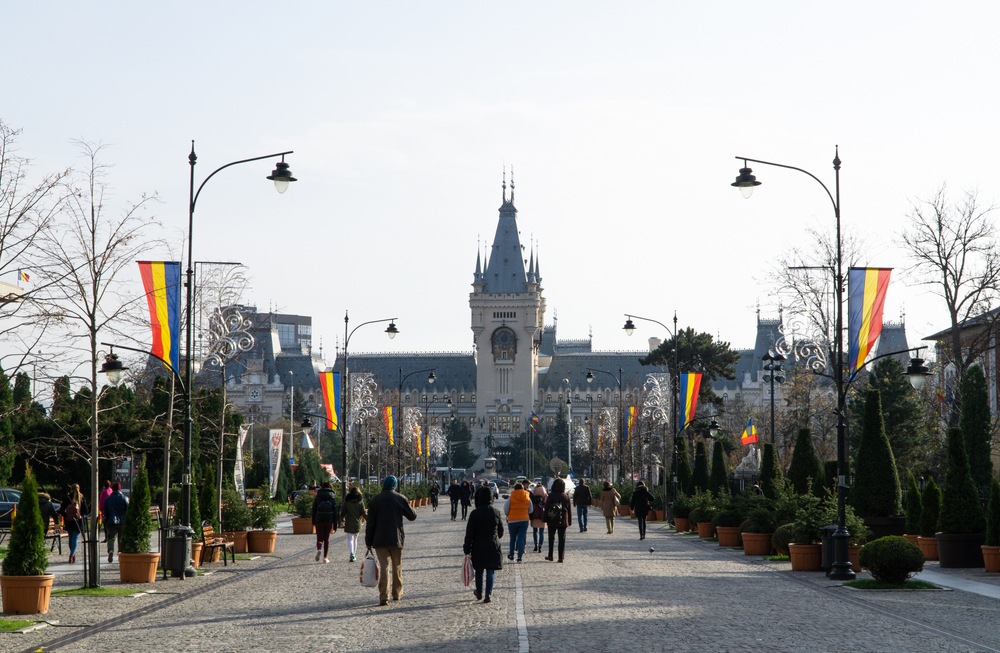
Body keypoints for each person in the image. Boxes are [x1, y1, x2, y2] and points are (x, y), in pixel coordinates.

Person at [365, 476, 417, 606]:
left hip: (379, 538)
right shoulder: (400, 498)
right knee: (397, 566)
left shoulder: (375, 500)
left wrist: (368, 541)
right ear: (394, 485)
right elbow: (412, 516)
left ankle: (384, 596)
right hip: (396, 537)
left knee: (384, 567)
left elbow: (370, 523)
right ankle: (397, 593)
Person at [464, 485, 503, 603]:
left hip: (478, 545)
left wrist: (467, 547)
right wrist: (496, 538)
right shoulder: (496, 512)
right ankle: (488, 593)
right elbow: (500, 531)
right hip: (492, 544)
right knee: (490, 569)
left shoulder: (475, 513)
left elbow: (470, 532)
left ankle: (479, 591)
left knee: (479, 570)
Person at [543, 478, 572, 562]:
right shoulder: (566, 496)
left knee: (551, 538)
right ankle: (561, 557)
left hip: (552, 519)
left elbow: (547, 507)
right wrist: (569, 521)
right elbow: (569, 510)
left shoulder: (551, 495)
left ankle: (550, 555)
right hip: (563, 520)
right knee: (562, 539)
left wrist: (545, 519)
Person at [58, 484, 88, 564]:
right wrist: (80, 514)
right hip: (78, 521)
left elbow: (61, 511)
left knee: (70, 537)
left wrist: (67, 515)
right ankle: (72, 555)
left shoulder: (67, 498)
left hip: (69, 520)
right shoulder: (81, 498)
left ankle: (72, 554)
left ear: (71, 489)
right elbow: (86, 511)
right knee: (75, 537)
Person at [311, 481, 338, 563]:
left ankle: (319, 549)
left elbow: (314, 509)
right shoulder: (332, 497)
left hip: (319, 519)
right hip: (329, 520)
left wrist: (313, 521)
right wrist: (335, 525)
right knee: (327, 539)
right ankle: (325, 557)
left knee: (319, 538)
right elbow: (335, 512)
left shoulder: (318, 496)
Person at [504, 482, 531, 562]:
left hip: (512, 520)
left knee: (513, 538)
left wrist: (508, 515)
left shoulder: (511, 497)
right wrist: (525, 513)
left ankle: (511, 555)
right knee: (521, 538)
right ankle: (520, 557)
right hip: (524, 520)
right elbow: (531, 509)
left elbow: (506, 509)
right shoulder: (527, 497)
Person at [103, 482, 129, 563]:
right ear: (120, 488)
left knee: (111, 538)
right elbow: (128, 510)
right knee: (121, 539)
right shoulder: (125, 498)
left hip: (112, 521)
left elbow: (105, 512)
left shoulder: (107, 499)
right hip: (122, 521)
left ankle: (111, 550)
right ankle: (120, 554)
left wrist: (106, 521)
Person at [342, 485, 366, 562]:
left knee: (350, 539)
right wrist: (369, 519)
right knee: (355, 539)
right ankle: (354, 555)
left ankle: (351, 553)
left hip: (349, 522)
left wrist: (342, 519)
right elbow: (364, 513)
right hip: (357, 523)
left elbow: (343, 512)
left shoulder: (347, 502)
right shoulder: (360, 502)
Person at [529, 484, 548, 553]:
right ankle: (540, 546)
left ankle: (535, 544)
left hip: (534, 515)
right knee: (542, 532)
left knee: (535, 531)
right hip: (543, 515)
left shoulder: (533, 495)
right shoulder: (545, 496)